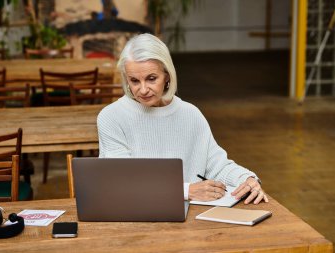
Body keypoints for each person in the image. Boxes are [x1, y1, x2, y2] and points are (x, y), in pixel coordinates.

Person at [97, 33, 268, 205]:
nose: (143, 90)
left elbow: (217, 165)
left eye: (151, 78)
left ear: (167, 76)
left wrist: (247, 179)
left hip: (192, 219)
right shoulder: (111, 117)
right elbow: (122, 180)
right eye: (134, 81)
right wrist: (185, 191)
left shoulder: (190, 114)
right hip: (133, 217)